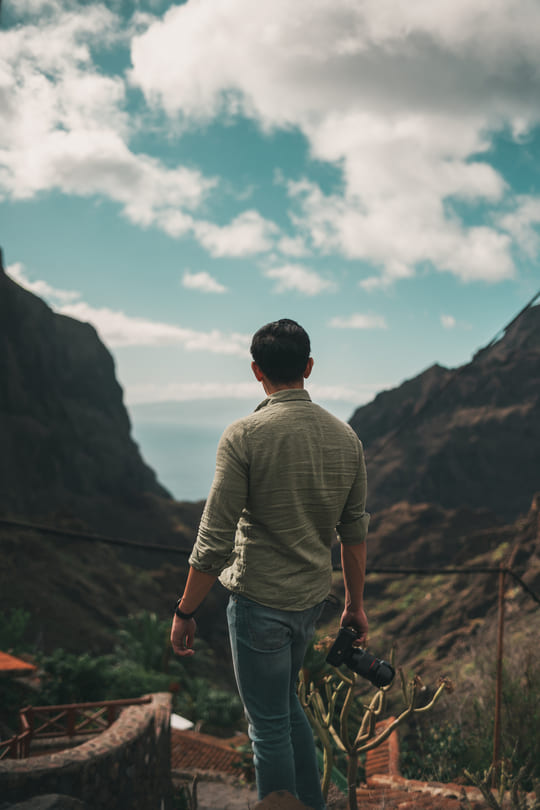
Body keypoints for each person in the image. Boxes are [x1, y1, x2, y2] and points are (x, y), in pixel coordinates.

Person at [170, 318, 369, 810]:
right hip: (309, 606)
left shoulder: (245, 435)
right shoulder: (347, 439)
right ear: (308, 367)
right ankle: (310, 804)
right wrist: (355, 606)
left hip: (259, 606)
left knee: (268, 729)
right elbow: (354, 533)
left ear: (257, 371)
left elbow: (214, 537)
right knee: (286, 709)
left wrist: (186, 611)